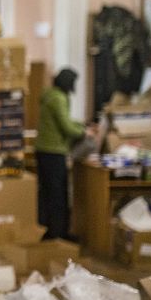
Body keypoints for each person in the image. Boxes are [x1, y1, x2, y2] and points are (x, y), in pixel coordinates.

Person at [35, 68, 95, 240]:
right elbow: (67, 127)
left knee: (48, 193)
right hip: (54, 151)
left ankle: (51, 230)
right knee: (59, 194)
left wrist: (82, 125)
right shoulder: (59, 99)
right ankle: (58, 234)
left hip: (43, 151)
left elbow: (66, 121)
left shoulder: (50, 95)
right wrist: (85, 133)